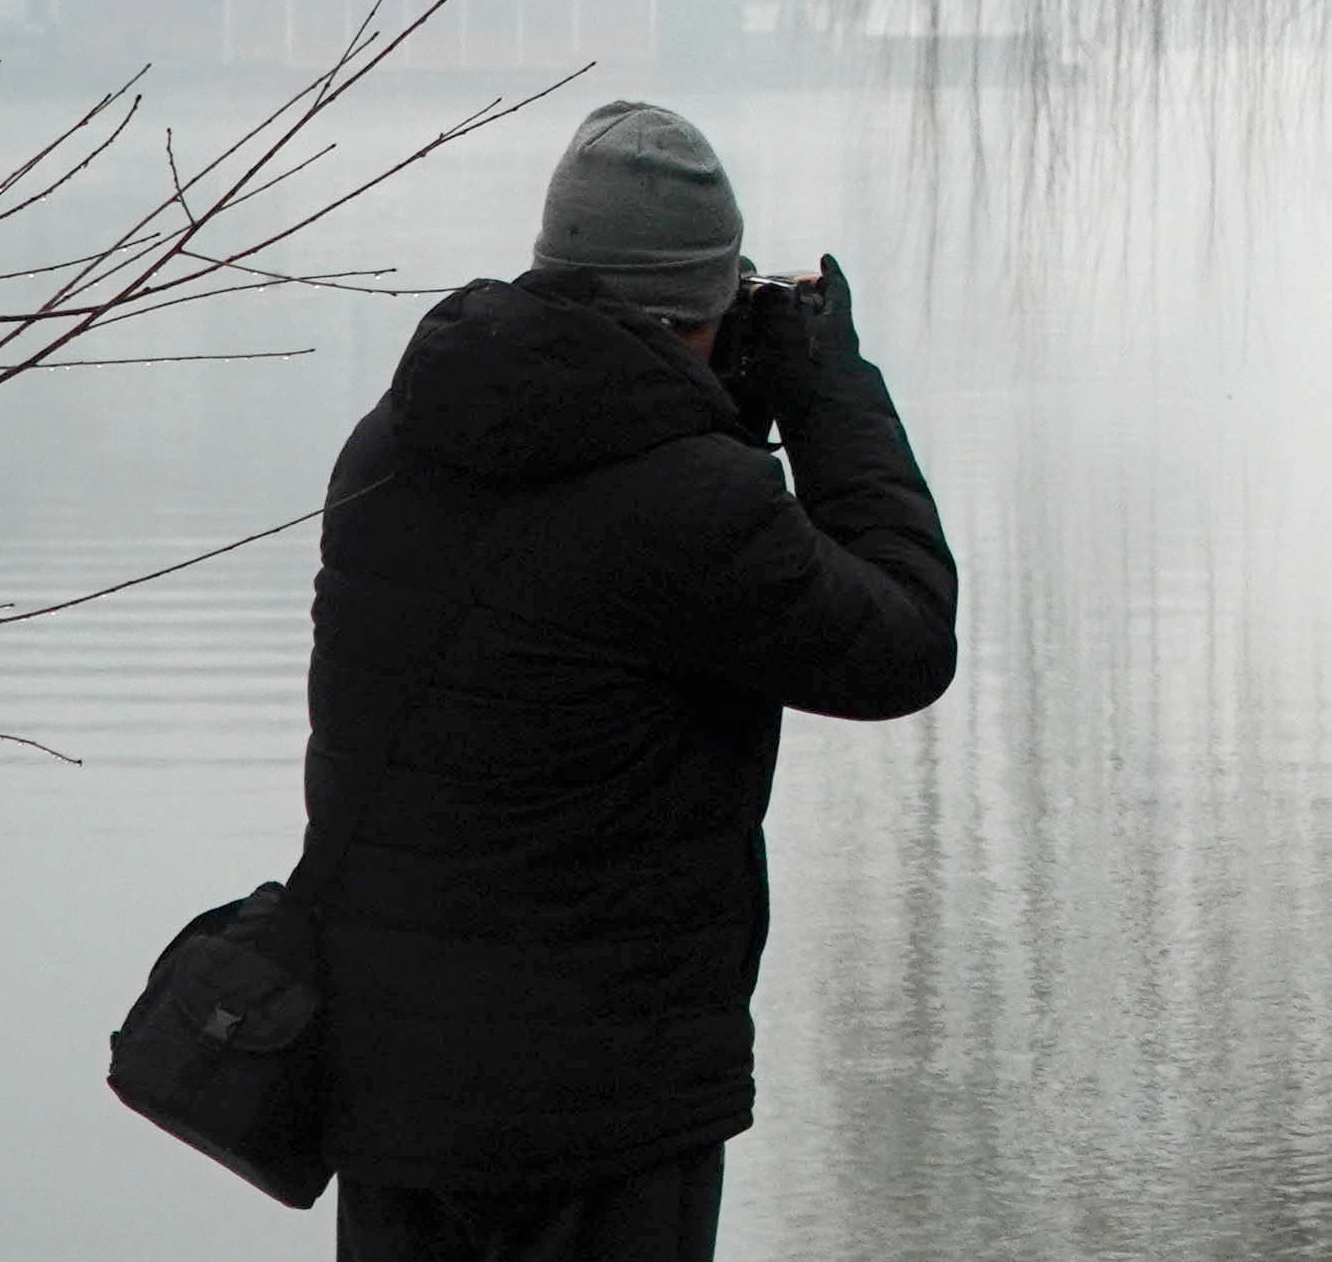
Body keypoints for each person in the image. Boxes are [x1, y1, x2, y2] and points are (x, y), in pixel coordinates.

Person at [298, 100, 958, 1260]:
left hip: (392, 1081)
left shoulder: (394, 439)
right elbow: (904, 644)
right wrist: (828, 390)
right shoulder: (692, 506)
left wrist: (711, 412)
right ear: (710, 302)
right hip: (604, 1106)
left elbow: (584, 525)